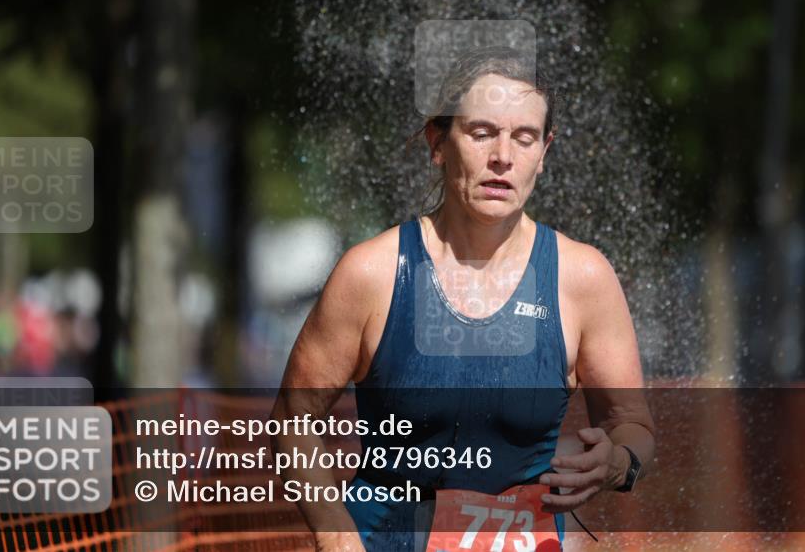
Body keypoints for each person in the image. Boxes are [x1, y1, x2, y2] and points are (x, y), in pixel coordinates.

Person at [271, 46, 656, 551]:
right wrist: (335, 533)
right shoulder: (373, 273)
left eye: (525, 138)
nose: (503, 156)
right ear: (438, 142)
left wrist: (617, 463)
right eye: (481, 133)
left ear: (544, 153)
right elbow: (291, 423)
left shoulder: (583, 278)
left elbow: (633, 426)